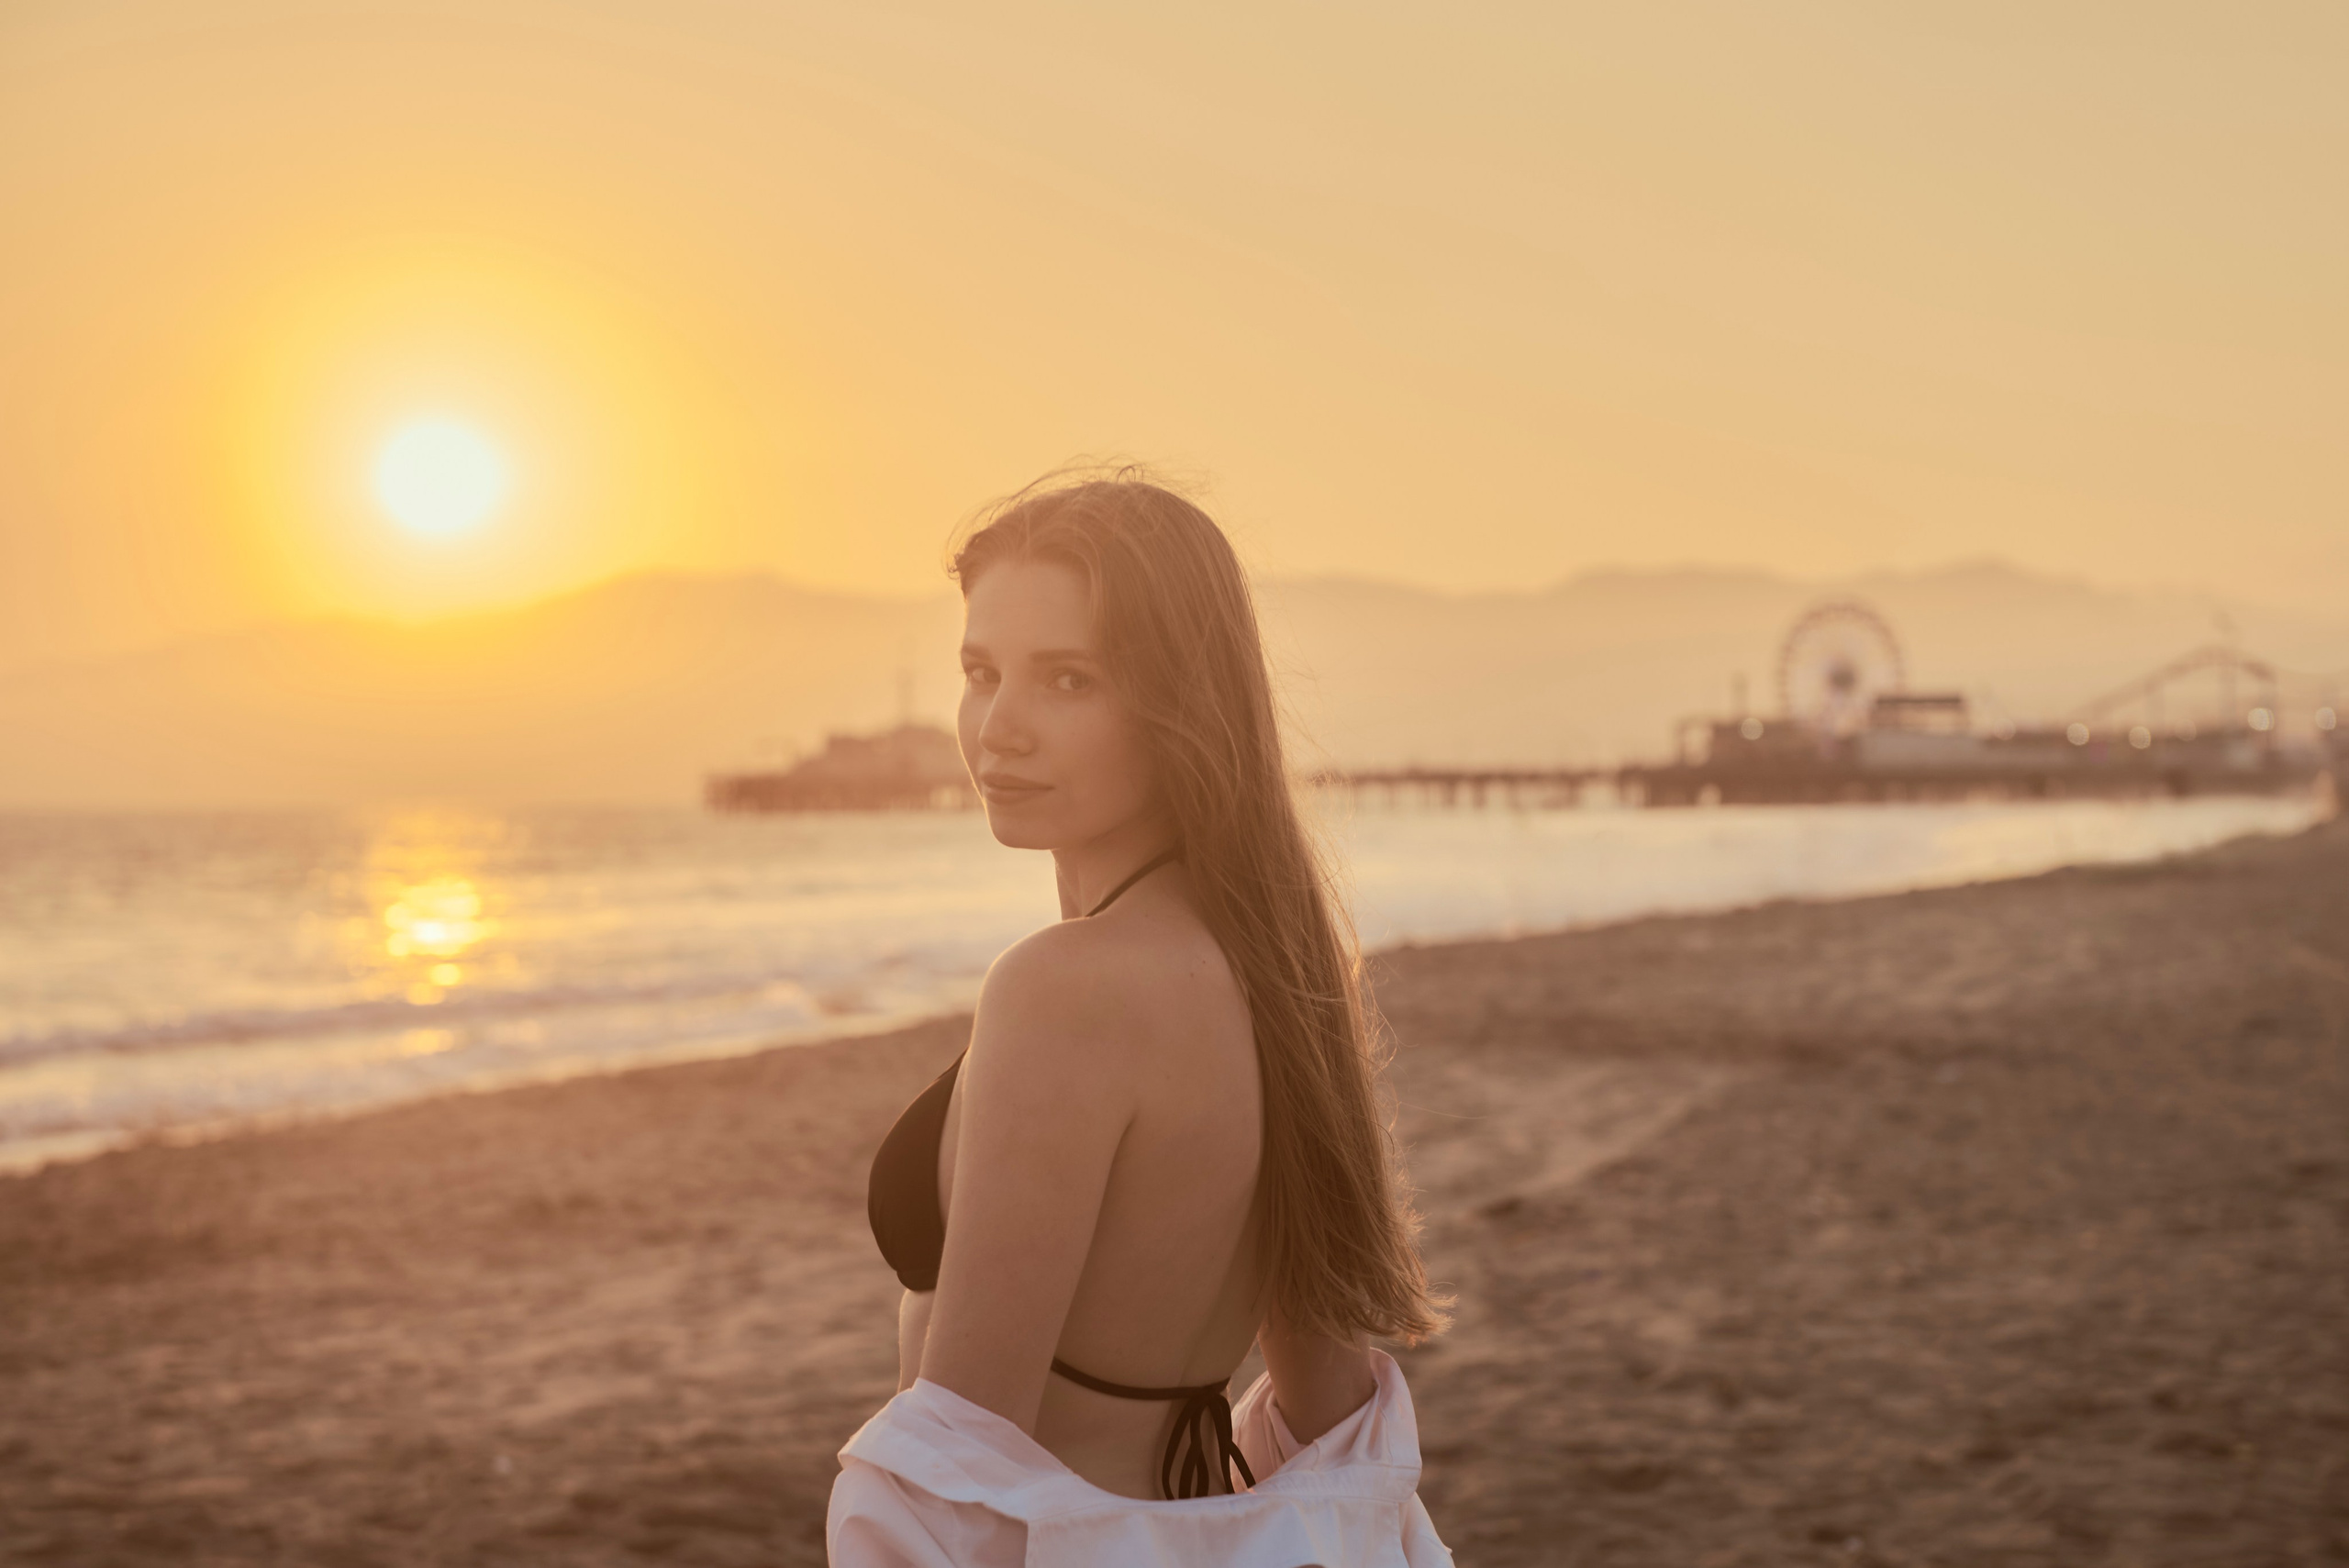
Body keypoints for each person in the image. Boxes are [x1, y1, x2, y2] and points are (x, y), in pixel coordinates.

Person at [829, 473, 1453, 1566]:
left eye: (1067, 678)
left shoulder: (1064, 988)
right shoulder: (1278, 963)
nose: (1000, 727)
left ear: (1179, 703)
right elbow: (1332, 1415)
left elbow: (960, 1468)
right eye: (981, 672)